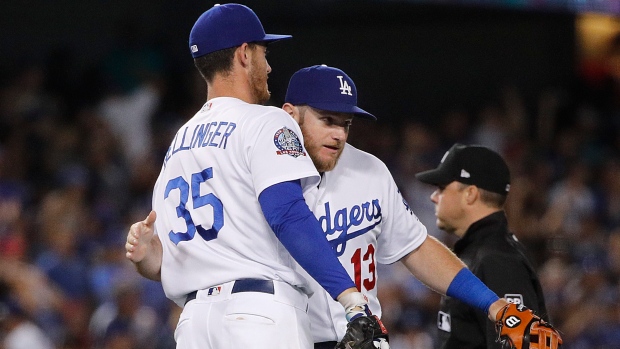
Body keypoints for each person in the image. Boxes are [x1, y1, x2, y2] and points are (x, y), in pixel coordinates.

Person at [128, 64, 517, 348]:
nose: (338, 134)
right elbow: (216, 269)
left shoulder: (368, 170)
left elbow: (414, 247)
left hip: (362, 335)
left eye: (345, 124)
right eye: (326, 119)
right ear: (289, 114)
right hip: (285, 334)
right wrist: (151, 262)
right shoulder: (250, 174)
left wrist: (494, 304)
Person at [125, 4, 372, 349]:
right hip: (257, 316)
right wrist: (351, 300)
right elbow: (286, 213)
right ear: (244, 54)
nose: (269, 66)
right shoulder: (265, 121)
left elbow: (163, 263)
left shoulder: (179, 142)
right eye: (263, 52)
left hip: (195, 324)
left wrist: (147, 259)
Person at [415, 143, 551, 349]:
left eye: (442, 188)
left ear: (470, 194)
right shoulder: (478, 252)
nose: (434, 197)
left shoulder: (498, 260)